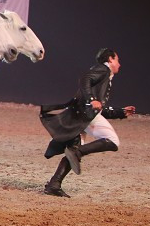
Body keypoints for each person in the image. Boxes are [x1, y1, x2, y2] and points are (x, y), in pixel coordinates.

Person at [39, 48, 136, 197]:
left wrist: (120, 112)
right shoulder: (103, 69)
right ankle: (77, 153)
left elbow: (100, 108)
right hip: (85, 115)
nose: (119, 64)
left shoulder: (104, 77)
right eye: (117, 60)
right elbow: (85, 79)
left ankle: (54, 184)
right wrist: (92, 99)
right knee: (113, 141)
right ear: (110, 59)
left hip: (81, 114)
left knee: (73, 152)